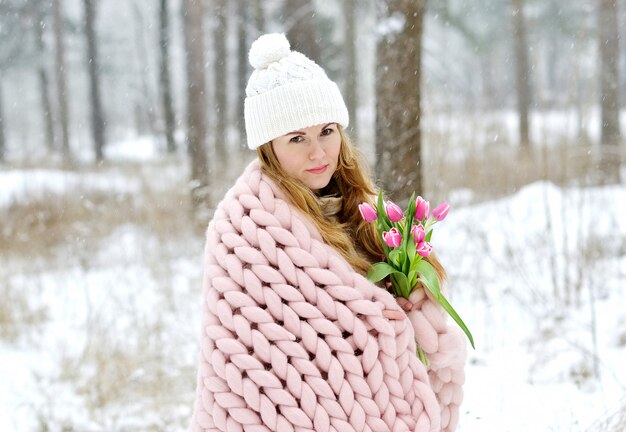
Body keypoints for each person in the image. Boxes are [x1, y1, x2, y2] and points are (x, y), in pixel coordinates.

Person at [190, 33, 466, 432]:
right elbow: (265, 365)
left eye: (326, 131)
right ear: (268, 147)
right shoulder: (244, 236)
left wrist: (418, 316)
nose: (318, 152)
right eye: (297, 138)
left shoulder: (364, 210)